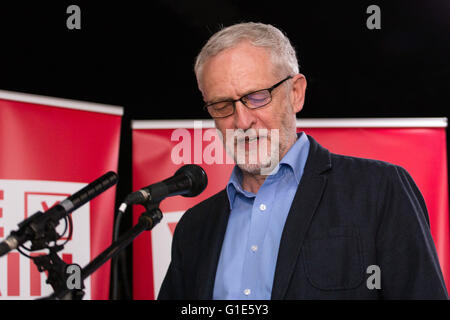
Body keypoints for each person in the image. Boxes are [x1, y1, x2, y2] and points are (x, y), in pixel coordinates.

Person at [158, 22, 448, 299]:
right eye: (222, 106)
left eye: (257, 97)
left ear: (296, 93)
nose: (242, 121)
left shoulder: (379, 191)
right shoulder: (195, 227)